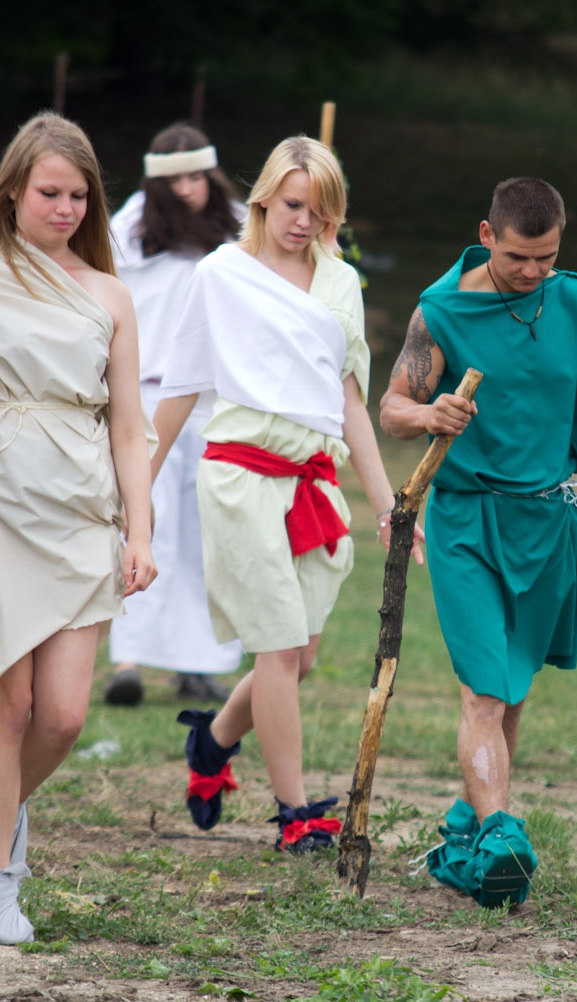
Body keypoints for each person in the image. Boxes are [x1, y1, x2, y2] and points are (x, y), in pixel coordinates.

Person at [381, 177, 577, 907]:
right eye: (519, 257)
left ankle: (464, 832)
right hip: (467, 523)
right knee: (485, 689)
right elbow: (392, 407)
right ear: (487, 235)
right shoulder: (442, 311)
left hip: (548, 523)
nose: (533, 271)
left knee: (511, 689)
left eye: (547, 257)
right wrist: (429, 415)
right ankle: (502, 838)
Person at [0, 113, 156, 944]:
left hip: (78, 504)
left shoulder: (109, 294)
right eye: (49, 193)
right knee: (8, 706)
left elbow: (128, 428)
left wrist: (140, 532)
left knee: (62, 717)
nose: (65, 209)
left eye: (79, 196)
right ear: (14, 192)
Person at [158, 136, 404, 855]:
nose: (305, 222)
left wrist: (387, 505)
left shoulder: (340, 283)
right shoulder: (221, 274)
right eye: (294, 205)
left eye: (321, 212)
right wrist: (135, 489)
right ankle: (295, 815)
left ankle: (213, 740)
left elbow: (349, 402)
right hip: (240, 479)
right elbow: (180, 389)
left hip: (311, 482)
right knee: (279, 649)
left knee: (300, 657)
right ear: (264, 198)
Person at [103, 123, 246, 707]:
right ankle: (128, 660)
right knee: (144, 522)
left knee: (208, 534)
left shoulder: (237, 229)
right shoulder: (129, 232)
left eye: (195, 177)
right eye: (174, 180)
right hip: (147, 398)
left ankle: (199, 663)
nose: (186, 189)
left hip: (216, 404)